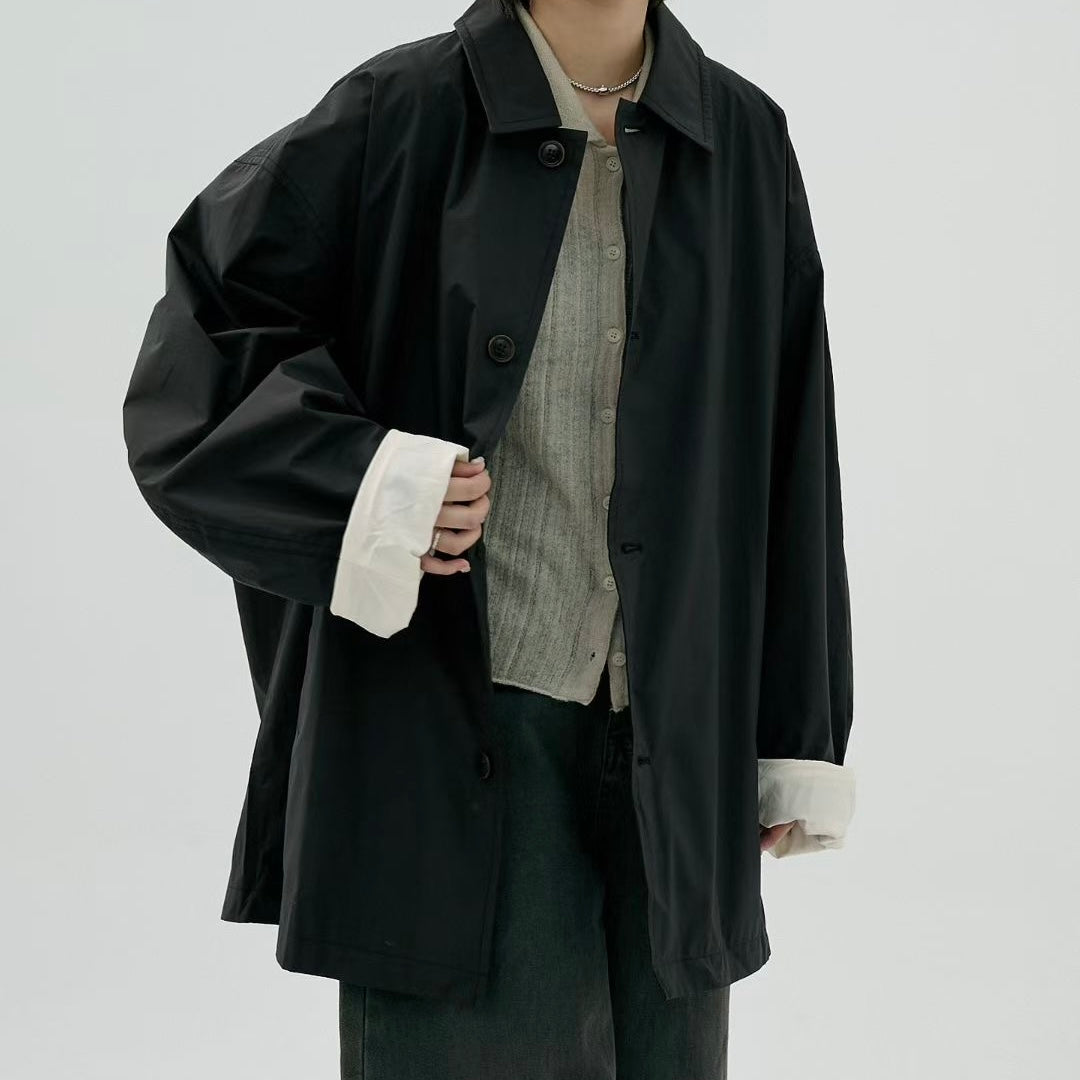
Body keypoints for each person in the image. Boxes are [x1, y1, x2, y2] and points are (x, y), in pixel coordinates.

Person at [122, 1, 857, 1076]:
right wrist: (374, 485)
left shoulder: (741, 135)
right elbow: (199, 357)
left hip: (675, 755)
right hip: (459, 734)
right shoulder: (400, 111)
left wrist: (795, 728)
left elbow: (792, 440)